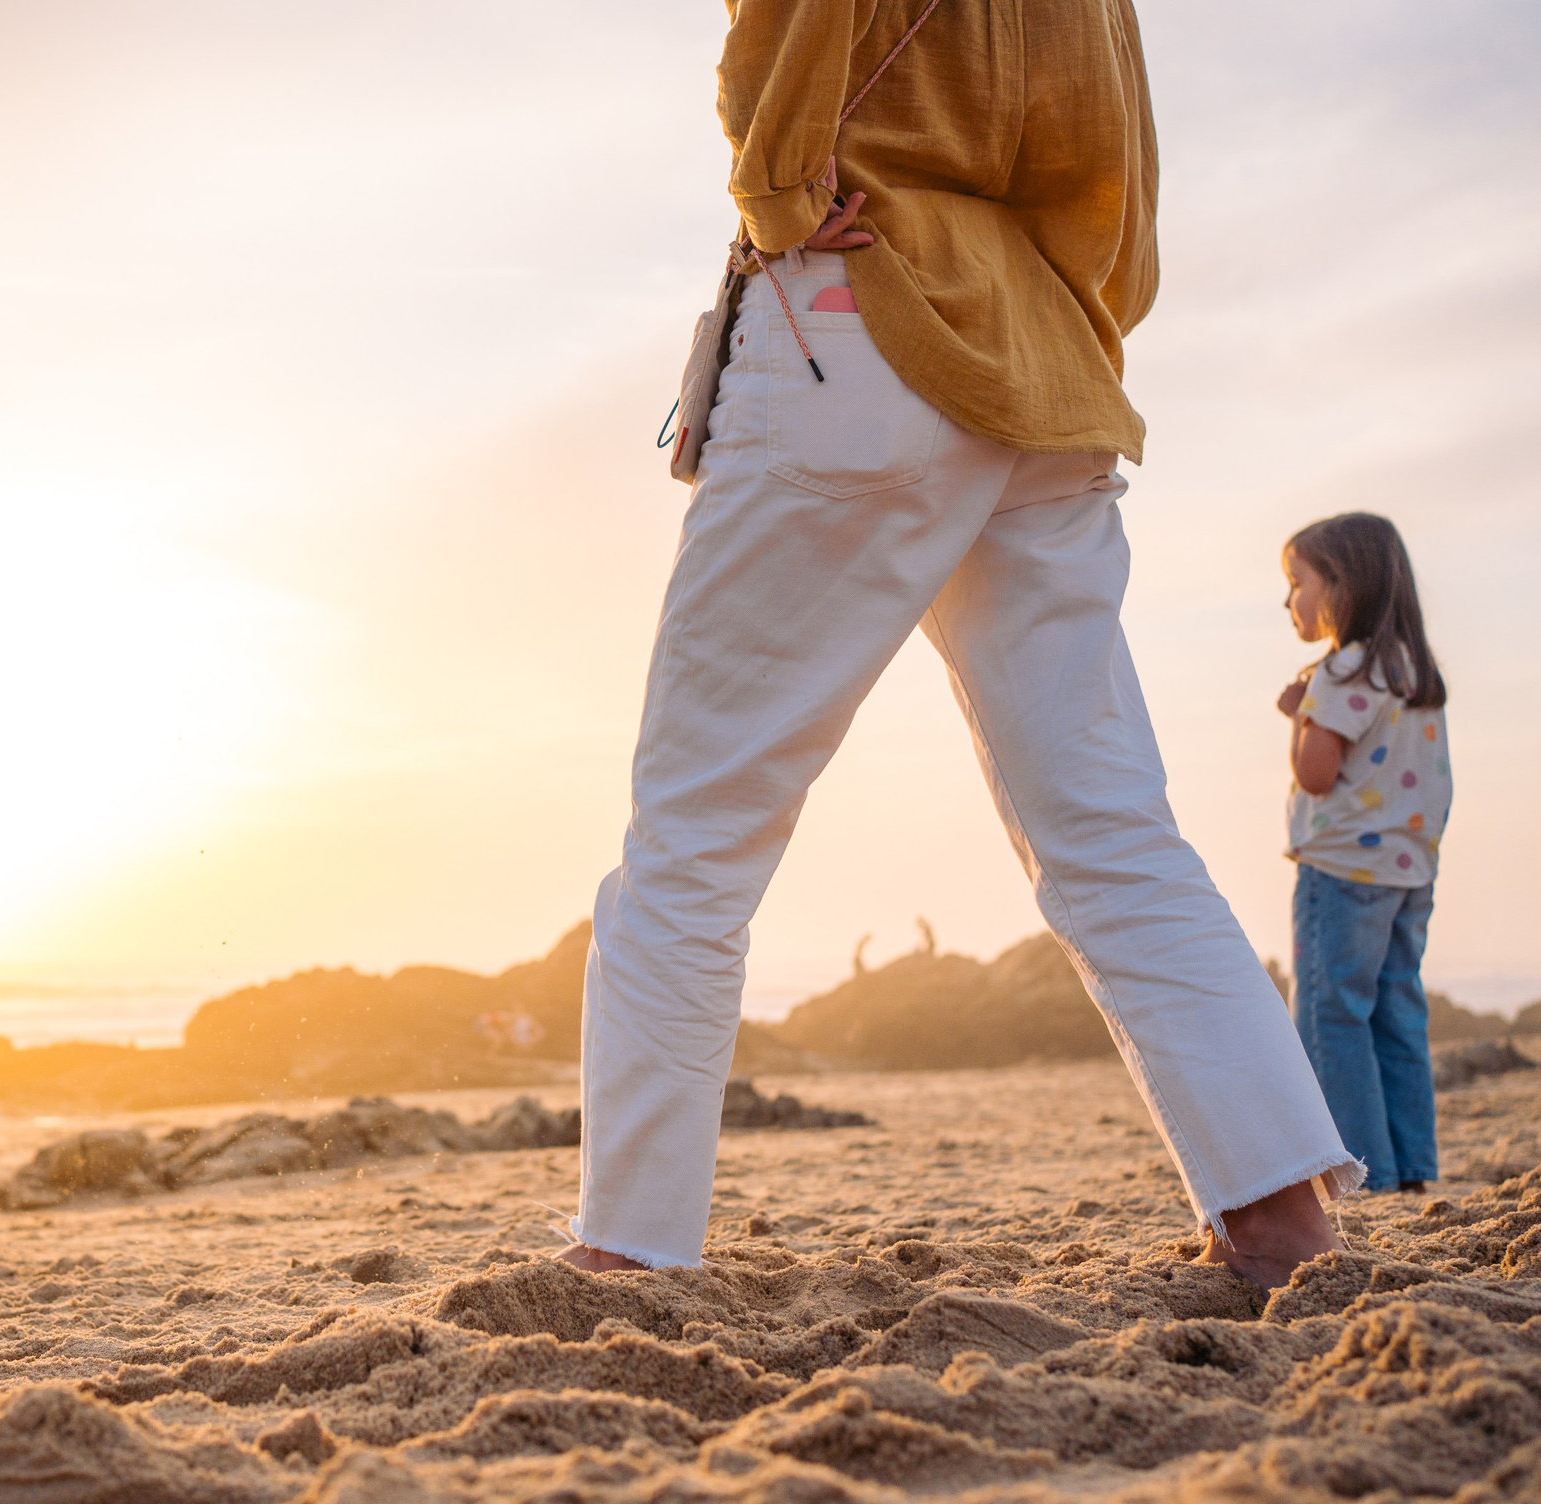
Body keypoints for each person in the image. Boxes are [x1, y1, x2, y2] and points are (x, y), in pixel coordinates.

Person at [563, 0, 1364, 1289]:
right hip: (1045, 358)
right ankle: (1281, 1223)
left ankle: (627, 1250)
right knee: (1109, 826)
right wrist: (1061, 310)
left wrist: (772, 195)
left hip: (858, 303)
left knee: (698, 826)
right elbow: (1123, 190)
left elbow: (781, 35)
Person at [1276, 513, 1452, 1195]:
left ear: (1341, 588)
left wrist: (1300, 716)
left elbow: (1318, 772)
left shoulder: (1344, 668)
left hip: (1345, 869)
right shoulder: (1412, 671)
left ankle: (1364, 1175)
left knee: (1330, 1013)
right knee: (1398, 1013)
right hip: (1411, 869)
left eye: (1297, 583)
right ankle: (1411, 1168)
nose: (1289, 599)